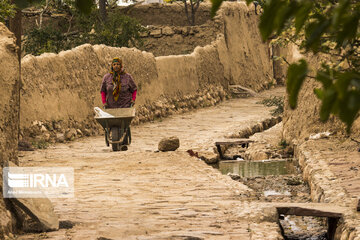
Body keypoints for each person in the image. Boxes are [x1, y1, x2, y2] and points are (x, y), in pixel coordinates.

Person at [100, 57, 137, 149]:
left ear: (121, 66)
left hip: (125, 105)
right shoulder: (107, 77)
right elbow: (103, 91)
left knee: (124, 124)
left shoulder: (127, 77)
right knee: (112, 123)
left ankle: (124, 142)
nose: (116, 66)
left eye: (118, 64)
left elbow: (134, 89)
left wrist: (133, 99)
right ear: (112, 66)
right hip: (111, 106)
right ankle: (115, 139)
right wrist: (104, 102)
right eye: (114, 64)